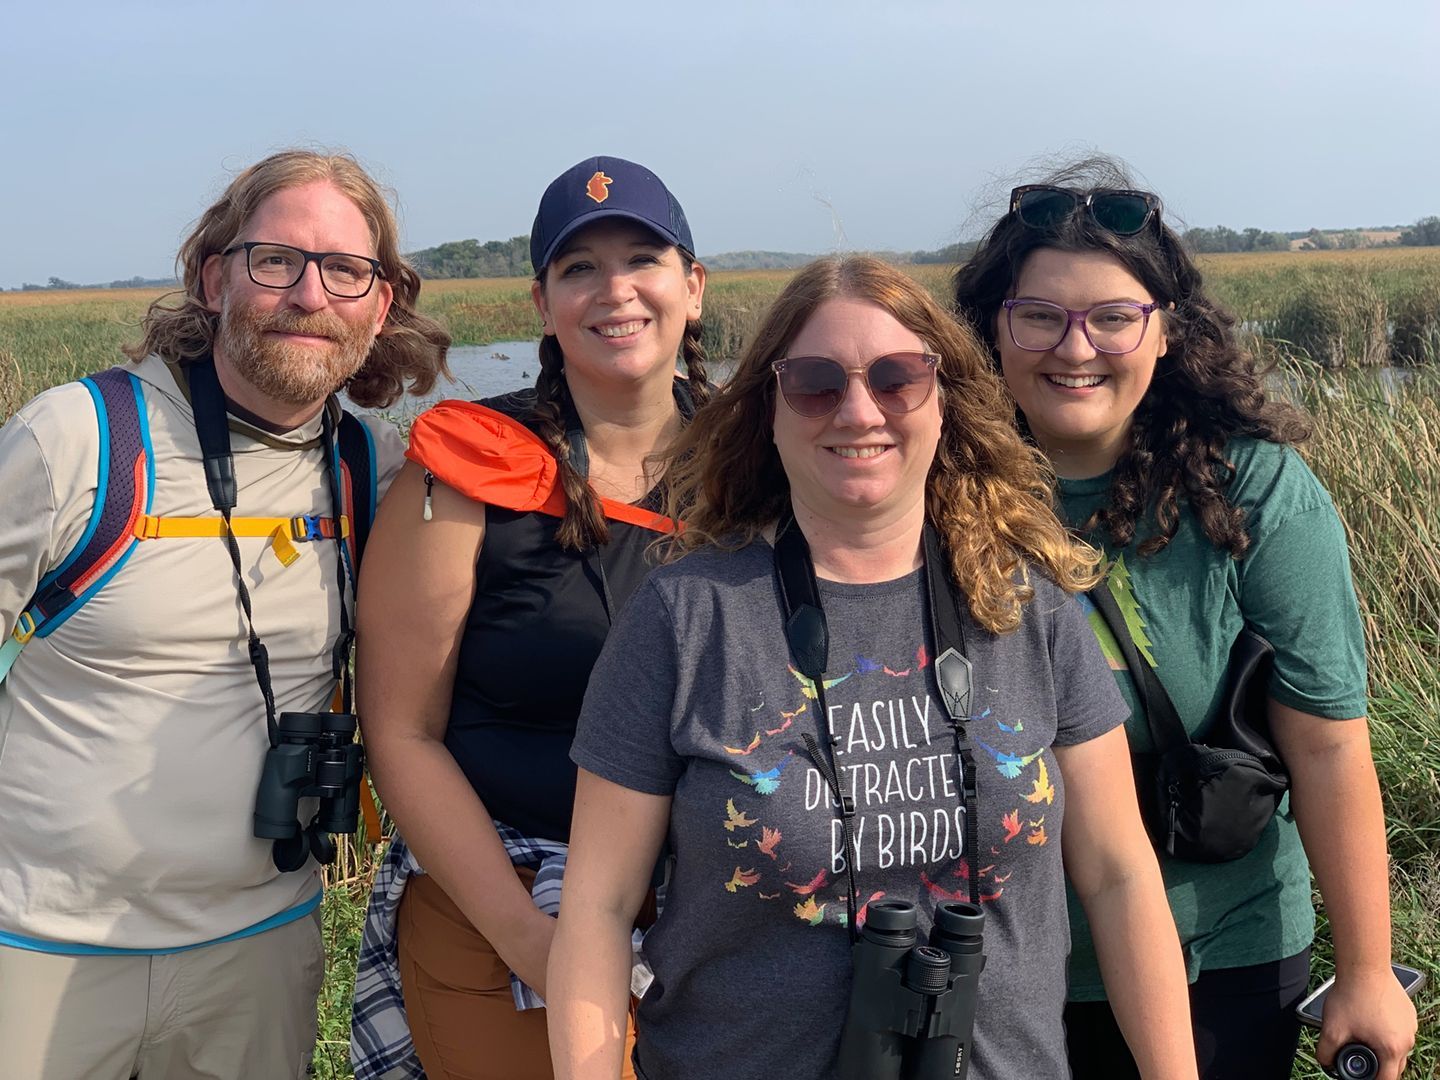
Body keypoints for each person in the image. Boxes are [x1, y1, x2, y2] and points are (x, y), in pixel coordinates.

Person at [548, 255, 1197, 1080]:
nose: (859, 411)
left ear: (946, 401)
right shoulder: (685, 617)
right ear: (768, 413)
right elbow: (598, 910)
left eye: (899, 377)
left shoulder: (1027, 606)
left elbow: (1118, 875)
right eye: (815, 382)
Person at [951, 163, 1420, 1080]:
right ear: (991, 332)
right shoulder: (934, 491)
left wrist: (1366, 970)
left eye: (1113, 317)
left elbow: (1328, 747)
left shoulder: (1252, 491)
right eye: (1039, 315)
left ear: (1166, 332)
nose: (1075, 347)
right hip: (998, 966)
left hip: (1220, 952)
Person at [0, 149, 449, 1079]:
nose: (308, 295)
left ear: (381, 301)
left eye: (345, 270)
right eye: (275, 260)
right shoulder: (77, 441)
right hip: (34, 946)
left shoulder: (371, 469)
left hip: (259, 950)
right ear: (215, 277)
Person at [350, 156, 709, 1080]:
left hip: (725, 907)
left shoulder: (774, 459)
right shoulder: (467, 466)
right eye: (578, 267)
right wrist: (528, 939)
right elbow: (402, 730)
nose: (615, 290)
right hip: (509, 907)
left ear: (694, 287)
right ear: (542, 304)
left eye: (643, 259)